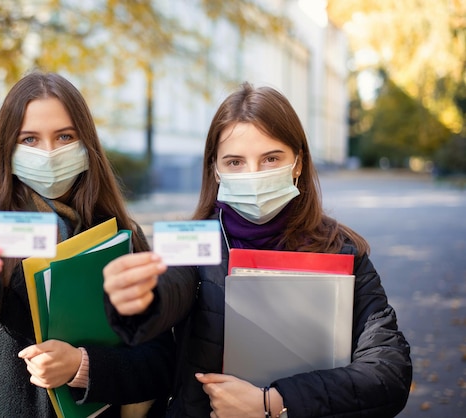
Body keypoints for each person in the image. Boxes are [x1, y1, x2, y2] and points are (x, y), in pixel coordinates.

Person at [102, 83, 412, 418]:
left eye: (271, 158)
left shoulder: (343, 253)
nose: (254, 175)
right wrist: (138, 299)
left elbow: (387, 373)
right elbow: (170, 288)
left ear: (298, 163)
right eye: (235, 162)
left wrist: (274, 404)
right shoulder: (194, 241)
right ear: (216, 170)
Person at [0, 71, 174, 417]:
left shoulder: (120, 234)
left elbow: (159, 361)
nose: (49, 153)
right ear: (7, 147)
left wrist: (83, 366)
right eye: (29, 139)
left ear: (86, 144)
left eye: (64, 136)